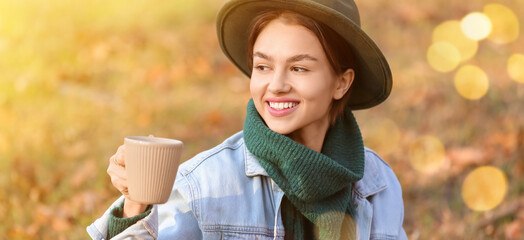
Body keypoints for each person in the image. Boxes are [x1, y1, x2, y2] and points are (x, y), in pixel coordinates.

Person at [87, 0, 407, 239]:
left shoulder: (378, 185)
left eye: (299, 68)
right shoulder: (202, 186)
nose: (276, 85)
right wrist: (135, 206)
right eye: (263, 67)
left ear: (342, 82)